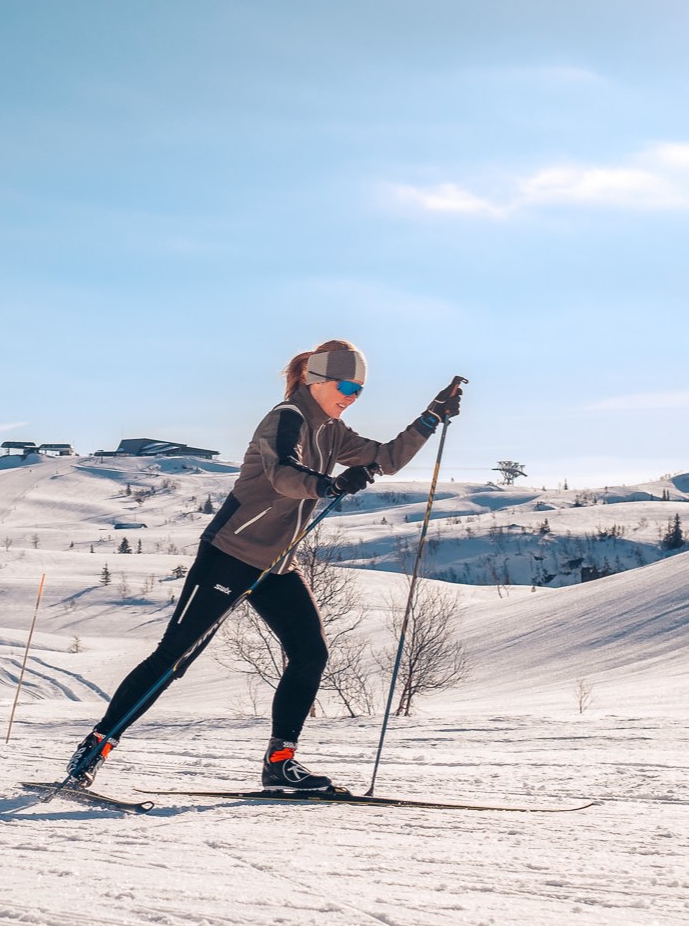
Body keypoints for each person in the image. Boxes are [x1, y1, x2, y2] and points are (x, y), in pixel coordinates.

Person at [65, 339, 463, 793]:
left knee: (310, 652)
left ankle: (280, 761)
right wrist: (330, 484)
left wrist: (432, 415)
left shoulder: (333, 431)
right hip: (230, 553)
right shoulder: (285, 417)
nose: (353, 396)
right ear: (316, 380)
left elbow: (387, 459)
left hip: (276, 565)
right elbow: (283, 475)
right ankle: (94, 748)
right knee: (175, 657)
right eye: (348, 385)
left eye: (360, 390)